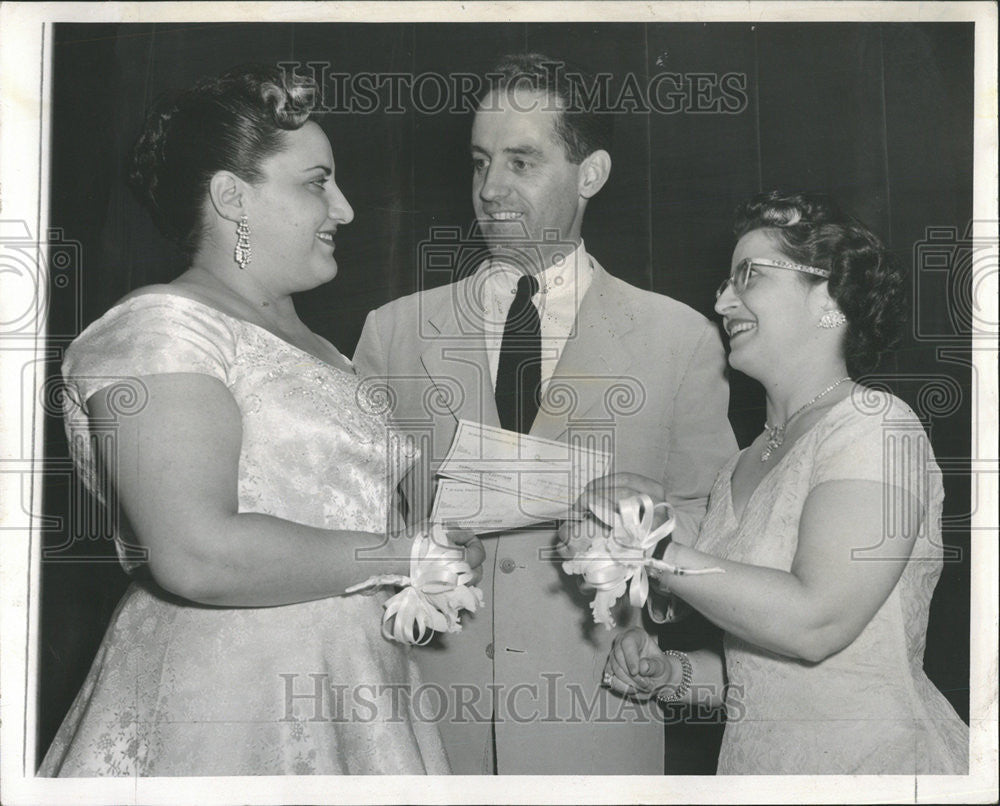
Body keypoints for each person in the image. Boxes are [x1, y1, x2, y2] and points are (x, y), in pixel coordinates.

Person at [39, 64, 484, 776]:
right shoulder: (165, 326)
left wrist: (432, 546)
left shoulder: (326, 352)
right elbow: (197, 553)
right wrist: (400, 555)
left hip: (361, 685)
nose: (343, 209)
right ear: (231, 198)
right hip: (231, 701)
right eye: (316, 183)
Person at [352, 53, 737, 774]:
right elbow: (344, 519)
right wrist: (410, 549)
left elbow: (715, 530)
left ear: (590, 174)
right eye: (479, 162)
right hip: (425, 730)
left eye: (521, 162)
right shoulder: (392, 331)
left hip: (598, 722)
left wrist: (637, 530)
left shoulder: (680, 338)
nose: (490, 189)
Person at [593, 191, 969, 774]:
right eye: (725, 281)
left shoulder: (876, 426)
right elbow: (762, 675)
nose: (721, 300)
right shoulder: (737, 467)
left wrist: (654, 550)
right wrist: (669, 673)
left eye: (749, 276)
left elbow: (815, 624)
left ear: (830, 297)